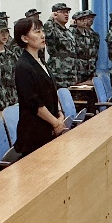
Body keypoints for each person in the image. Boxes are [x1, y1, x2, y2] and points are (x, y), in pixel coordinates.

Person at [13, 16, 66, 155]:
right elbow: (34, 102)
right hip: (34, 133)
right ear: (25, 38)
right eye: (37, 32)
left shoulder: (40, 61)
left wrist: (59, 114)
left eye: (42, 31)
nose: (42, 35)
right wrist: (55, 122)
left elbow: (51, 91)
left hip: (49, 127)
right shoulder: (23, 66)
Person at [42, 2, 78, 88]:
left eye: (67, 12)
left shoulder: (67, 31)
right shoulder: (53, 29)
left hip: (71, 72)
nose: (66, 14)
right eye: (63, 12)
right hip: (59, 72)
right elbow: (46, 32)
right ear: (55, 14)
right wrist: (50, 19)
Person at [70, 10, 100, 84]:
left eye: (84, 19)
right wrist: (72, 26)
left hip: (90, 68)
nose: (84, 21)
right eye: (81, 19)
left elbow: (94, 52)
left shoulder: (90, 34)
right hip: (78, 69)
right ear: (76, 21)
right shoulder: (72, 33)